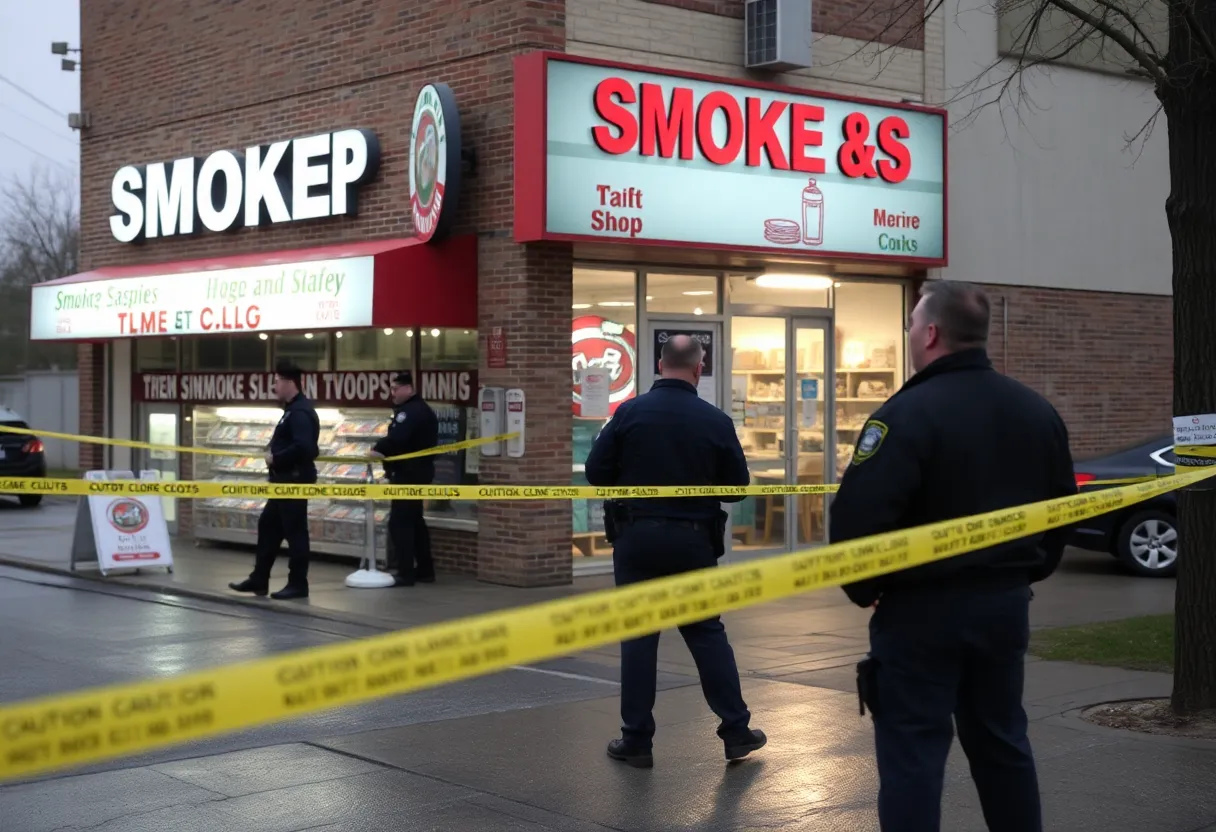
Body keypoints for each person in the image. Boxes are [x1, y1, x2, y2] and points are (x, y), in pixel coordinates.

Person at [829, 281, 1077, 832]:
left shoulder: (905, 415)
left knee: (913, 760)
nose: (910, 332)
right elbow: (1062, 514)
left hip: (920, 616)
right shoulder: (1036, 412)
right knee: (1003, 744)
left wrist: (866, 589)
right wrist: (1022, 574)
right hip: (1004, 609)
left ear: (932, 334)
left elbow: (856, 521)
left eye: (913, 322)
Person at [584, 334, 767, 769]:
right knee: (705, 633)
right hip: (693, 540)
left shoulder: (628, 412)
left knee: (640, 637)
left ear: (660, 364)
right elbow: (737, 488)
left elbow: (595, 472)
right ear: (698, 369)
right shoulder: (715, 419)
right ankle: (736, 731)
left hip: (636, 538)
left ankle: (637, 741)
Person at [229, 360, 321, 600]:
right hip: (283, 482)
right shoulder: (291, 410)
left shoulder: (300, 412)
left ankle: (298, 583)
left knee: (295, 532)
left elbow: (306, 447)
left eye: (277, 382)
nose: (274, 386)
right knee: (268, 526)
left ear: (289, 383)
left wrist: (275, 458)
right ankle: (259, 579)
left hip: (293, 481)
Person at [370, 371, 439, 586]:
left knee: (400, 523)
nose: (392, 393)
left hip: (409, 474)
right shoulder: (418, 409)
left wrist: (378, 449)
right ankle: (425, 570)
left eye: (395, 389)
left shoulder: (410, 412)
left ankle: (406, 572)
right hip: (417, 472)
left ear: (408, 388)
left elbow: (397, 439)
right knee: (415, 521)